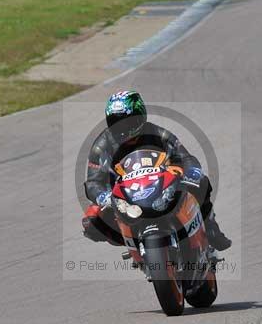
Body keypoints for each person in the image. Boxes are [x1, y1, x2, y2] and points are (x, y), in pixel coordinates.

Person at [82, 90, 232, 251]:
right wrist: (103, 196)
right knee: (92, 221)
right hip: (125, 196)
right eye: (116, 123)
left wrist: (191, 171)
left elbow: (184, 156)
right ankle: (133, 245)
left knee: (200, 181)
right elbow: (93, 181)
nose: (122, 129)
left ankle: (211, 228)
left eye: (127, 122)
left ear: (140, 116)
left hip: (161, 184)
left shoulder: (158, 133)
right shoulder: (101, 146)